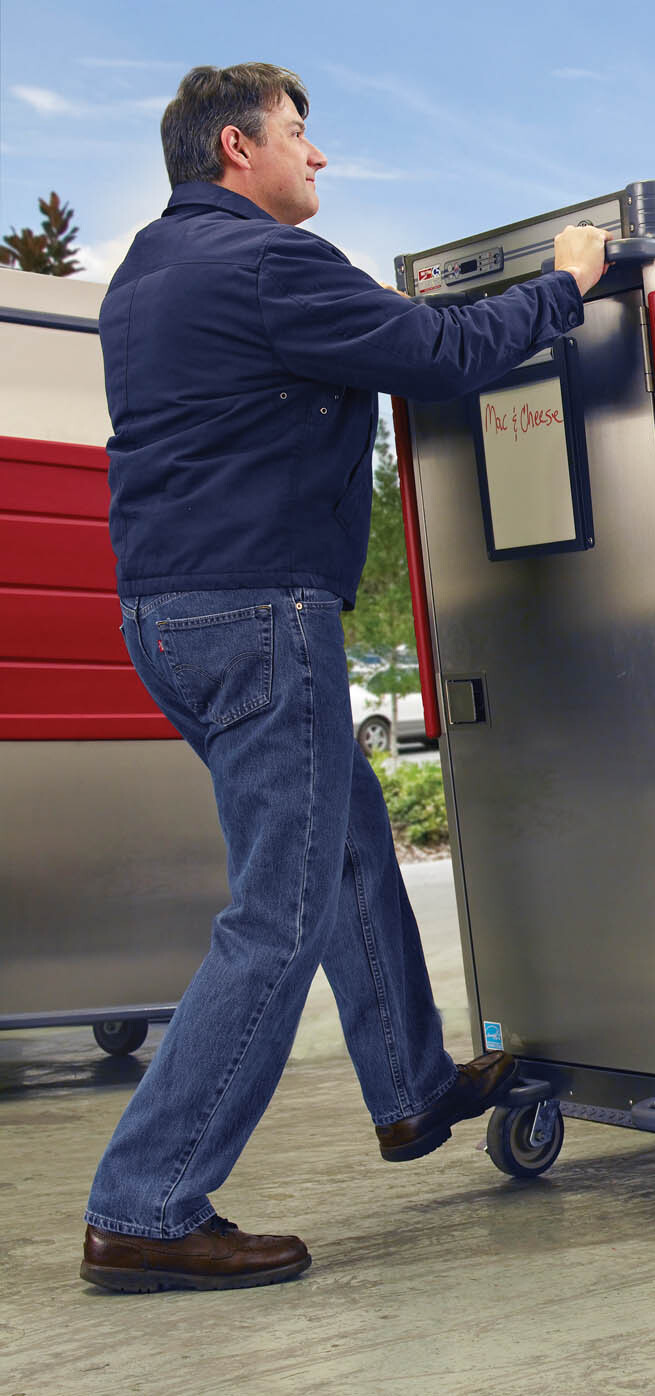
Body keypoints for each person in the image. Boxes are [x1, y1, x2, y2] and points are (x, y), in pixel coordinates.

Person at [78, 63, 610, 1294]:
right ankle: (145, 1203)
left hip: (165, 618)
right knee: (279, 913)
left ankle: (412, 1087)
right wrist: (564, 285)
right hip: (261, 611)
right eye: (299, 137)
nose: (316, 160)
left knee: (352, 842)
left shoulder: (149, 273)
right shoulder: (266, 264)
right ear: (235, 147)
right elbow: (436, 350)